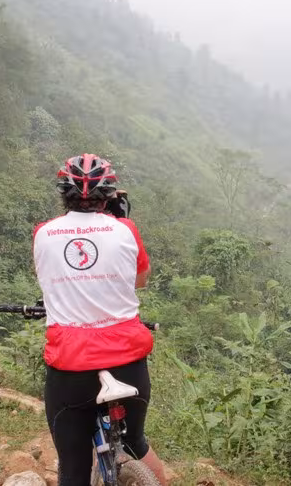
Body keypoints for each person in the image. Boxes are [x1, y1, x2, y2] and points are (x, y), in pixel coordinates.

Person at [32, 153, 167, 486]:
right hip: (128, 358)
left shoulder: (43, 234)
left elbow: (51, 280)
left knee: (74, 466)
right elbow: (140, 280)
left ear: (64, 193)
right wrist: (117, 222)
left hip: (70, 365)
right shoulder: (125, 229)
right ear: (109, 195)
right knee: (135, 443)